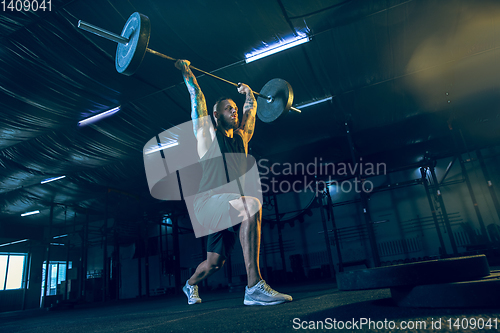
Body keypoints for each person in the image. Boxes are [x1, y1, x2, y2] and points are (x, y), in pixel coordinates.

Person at [175, 59, 292, 306]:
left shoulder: (242, 139)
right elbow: (197, 98)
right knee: (252, 205)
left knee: (214, 264)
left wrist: (249, 93)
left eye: (234, 107)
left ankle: (190, 285)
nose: (234, 110)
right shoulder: (207, 136)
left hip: (228, 205)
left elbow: (250, 112)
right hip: (207, 203)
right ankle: (254, 287)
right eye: (229, 108)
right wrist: (188, 74)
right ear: (216, 115)